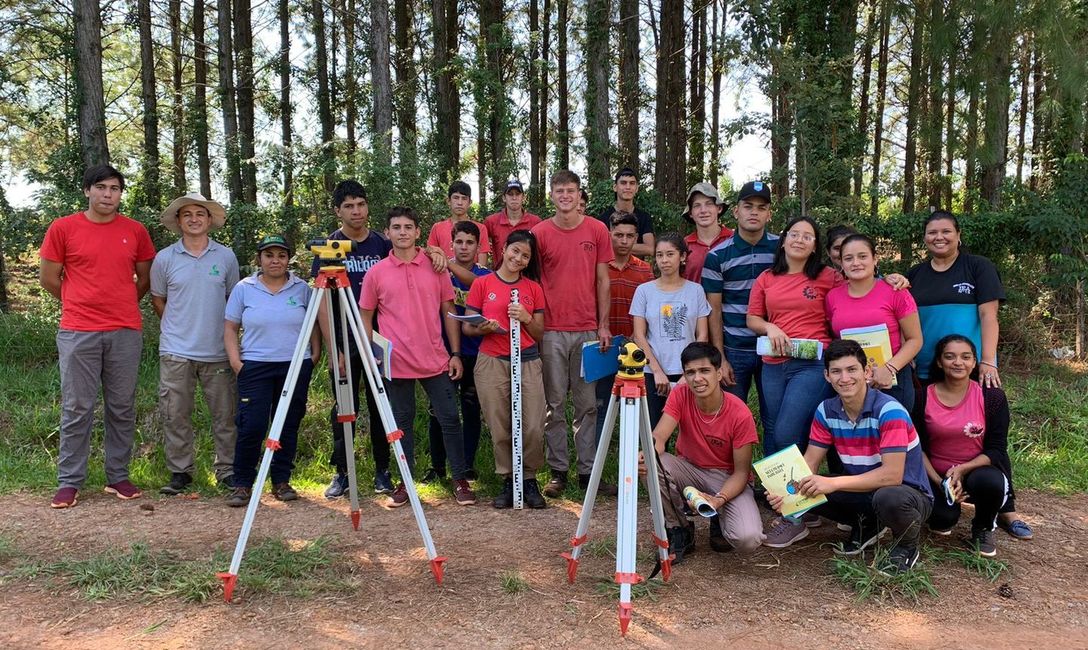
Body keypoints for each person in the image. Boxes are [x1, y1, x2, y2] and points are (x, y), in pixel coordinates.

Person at [906, 211, 1032, 540]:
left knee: (988, 435)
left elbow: (989, 316)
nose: (939, 237)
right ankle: (941, 491)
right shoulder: (915, 275)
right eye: (932, 232)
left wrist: (987, 361)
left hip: (970, 368)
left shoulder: (977, 267)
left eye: (946, 231)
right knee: (934, 435)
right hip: (924, 370)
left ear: (958, 235)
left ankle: (1006, 508)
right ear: (924, 238)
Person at [40, 165, 157, 508]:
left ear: (121, 194)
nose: (109, 194)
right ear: (87, 191)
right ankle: (69, 481)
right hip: (78, 331)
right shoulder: (63, 228)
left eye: (115, 188)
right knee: (77, 407)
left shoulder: (135, 231)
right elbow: (49, 278)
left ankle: (117, 476)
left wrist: (119, 305)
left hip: (124, 331)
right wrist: (78, 303)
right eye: (102, 187)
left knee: (121, 406)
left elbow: (144, 279)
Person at [766, 340, 934, 576]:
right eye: (836, 371)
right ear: (826, 376)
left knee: (888, 497)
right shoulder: (826, 410)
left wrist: (832, 483)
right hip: (864, 491)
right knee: (804, 487)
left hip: (908, 494)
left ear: (866, 372)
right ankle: (867, 524)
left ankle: (905, 546)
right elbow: (810, 462)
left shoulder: (890, 411)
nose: (844, 378)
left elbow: (892, 476)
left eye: (851, 369)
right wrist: (786, 494)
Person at [360, 207, 476, 507]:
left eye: (408, 227)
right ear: (387, 233)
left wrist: (454, 353)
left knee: (450, 419)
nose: (402, 232)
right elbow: (366, 317)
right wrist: (371, 354)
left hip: (435, 358)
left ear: (417, 232)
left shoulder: (435, 266)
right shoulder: (376, 273)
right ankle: (405, 481)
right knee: (402, 422)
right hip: (395, 363)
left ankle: (460, 479)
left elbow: (448, 311)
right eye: (396, 227)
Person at [151, 192, 240, 495]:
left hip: (218, 351)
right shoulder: (165, 258)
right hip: (176, 351)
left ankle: (227, 471)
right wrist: (179, 328)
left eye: (199, 213)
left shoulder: (225, 257)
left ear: (209, 220)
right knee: (175, 413)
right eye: (186, 214)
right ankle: (180, 472)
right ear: (178, 221)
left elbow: (233, 300)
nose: (193, 219)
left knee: (225, 415)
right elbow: (158, 299)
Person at [532, 170, 614, 498]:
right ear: (551, 194)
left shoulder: (596, 229)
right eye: (559, 190)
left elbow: (603, 281)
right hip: (551, 330)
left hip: (588, 331)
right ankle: (558, 472)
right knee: (554, 404)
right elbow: (532, 283)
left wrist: (603, 324)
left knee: (587, 405)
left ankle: (588, 472)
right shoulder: (538, 233)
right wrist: (535, 326)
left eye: (571, 190)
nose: (565, 195)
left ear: (580, 195)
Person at [642, 342, 763, 563]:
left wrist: (719, 500)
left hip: (728, 477)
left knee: (748, 539)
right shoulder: (680, 394)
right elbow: (660, 436)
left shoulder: (739, 413)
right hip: (690, 469)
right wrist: (645, 453)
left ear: (718, 373)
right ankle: (679, 528)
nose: (697, 379)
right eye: (690, 372)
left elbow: (741, 473)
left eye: (704, 371)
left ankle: (720, 517)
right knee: (651, 463)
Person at [224, 235, 320, 506]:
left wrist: (315, 354)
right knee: (252, 425)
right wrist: (236, 362)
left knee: (288, 423)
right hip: (254, 365)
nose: (275, 260)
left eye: (281, 255)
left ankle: (281, 480)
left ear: (289, 259)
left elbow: (313, 323)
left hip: (294, 364)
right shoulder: (244, 288)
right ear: (259, 259)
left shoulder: (302, 288)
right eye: (269, 255)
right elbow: (230, 327)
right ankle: (242, 483)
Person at [315, 181, 393, 499]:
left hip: (377, 339)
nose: (356, 210)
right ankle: (343, 473)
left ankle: (382, 471)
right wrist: (334, 349)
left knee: (380, 406)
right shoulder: (329, 246)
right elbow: (321, 300)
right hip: (344, 339)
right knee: (345, 407)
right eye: (348, 206)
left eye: (360, 203)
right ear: (338, 211)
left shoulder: (382, 245)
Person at [463, 230, 548, 509]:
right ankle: (509, 479)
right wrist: (482, 328)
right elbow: (467, 325)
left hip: (527, 360)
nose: (518, 258)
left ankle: (529, 478)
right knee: (500, 424)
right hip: (491, 361)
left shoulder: (533, 288)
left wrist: (525, 318)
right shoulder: (482, 283)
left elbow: (538, 332)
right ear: (505, 249)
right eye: (515, 251)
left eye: (525, 256)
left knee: (533, 424)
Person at [915, 335, 1018, 557]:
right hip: (936, 473)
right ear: (940, 362)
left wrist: (961, 470)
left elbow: (997, 449)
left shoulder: (991, 397)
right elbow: (917, 447)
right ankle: (946, 508)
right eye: (950, 357)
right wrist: (941, 481)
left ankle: (983, 526)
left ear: (974, 362)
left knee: (990, 482)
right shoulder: (923, 396)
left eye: (965, 357)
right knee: (942, 520)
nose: (958, 362)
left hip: (976, 470)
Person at [702, 180, 778, 423]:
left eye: (761, 207)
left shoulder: (783, 250)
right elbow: (713, 310)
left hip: (775, 348)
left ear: (769, 214)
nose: (754, 212)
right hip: (735, 349)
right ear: (736, 211)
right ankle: (733, 463)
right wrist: (720, 357)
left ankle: (774, 462)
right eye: (748, 206)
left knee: (775, 419)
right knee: (729, 418)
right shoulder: (717, 256)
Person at [825, 234, 922, 411]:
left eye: (862, 256)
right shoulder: (832, 297)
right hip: (850, 382)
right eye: (848, 258)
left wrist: (889, 368)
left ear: (875, 259)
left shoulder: (896, 291)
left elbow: (915, 339)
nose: (856, 263)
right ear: (842, 263)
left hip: (892, 379)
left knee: (894, 435)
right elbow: (835, 339)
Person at [423, 220, 489, 482]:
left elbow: (475, 284)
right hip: (443, 351)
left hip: (475, 352)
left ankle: (466, 466)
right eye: (459, 242)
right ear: (451, 244)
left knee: (471, 409)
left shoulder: (484, 274)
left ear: (478, 247)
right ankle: (437, 466)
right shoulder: (437, 272)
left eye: (470, 243)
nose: (464, 247)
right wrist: (436, 258)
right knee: (439, 410)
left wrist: (446, 261)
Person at [630, 234, 711, 427]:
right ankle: (655, 459)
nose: (664, 260)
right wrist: (657, 371)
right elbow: (639, 335)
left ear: (682, 256)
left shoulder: (696, 290)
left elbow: (702, 335)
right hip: (653, 372)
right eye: (659, 255)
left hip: (689, 372)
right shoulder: (644, 291)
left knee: (692, 430)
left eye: (670, 254)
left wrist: (689, 372)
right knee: (653, 432)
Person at [594, 212, 655, 446]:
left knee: (638, 403)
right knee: (600, 402)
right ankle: (599, 454)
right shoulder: (599, 268)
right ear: (609, 234)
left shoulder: (645, 270)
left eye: (629, 236)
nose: (623, 241)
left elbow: (650, 308)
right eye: (618, 235)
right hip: (603, 345)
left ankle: (639, 454)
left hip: (634, 345)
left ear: (636, 237)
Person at [427, 180, 491, 266]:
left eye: (464, 198)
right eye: (456, 198)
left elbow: (482, 265)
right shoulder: (437, 228)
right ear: (448, 201)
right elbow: (431, 253)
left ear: (470, 203)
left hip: (471, 278)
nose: (460, 203)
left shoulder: (480, 228)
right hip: (444, 276)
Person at [595, 167, 655, 257]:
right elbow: (599, 247)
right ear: (615, 187)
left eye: (632, 183)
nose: (628, 187)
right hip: (610, 269)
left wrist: (614, 245)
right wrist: (635, 246)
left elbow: (650, 249)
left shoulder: (644, 217)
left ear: (637, 188)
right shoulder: (603, 219)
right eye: (623, 183)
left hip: (636, 269)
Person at [680, 182, 732, 283]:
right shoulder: (684, 245)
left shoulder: (733, 239)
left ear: (719, 208)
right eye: (697, 205)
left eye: (709, 204)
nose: (703, 210)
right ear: (690, 213)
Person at [483, 179, 541, 269]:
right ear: (504, 198)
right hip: (499, 277)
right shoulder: (491, 221)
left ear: (523, 197)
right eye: (510, 194)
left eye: (517, 194)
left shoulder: (535, 222)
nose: (514, 198)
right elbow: (480, 246)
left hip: (527, 277)